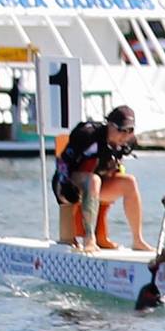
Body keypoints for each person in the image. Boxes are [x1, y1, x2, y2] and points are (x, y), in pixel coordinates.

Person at [54, 104, 144, 250]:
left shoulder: (129, 142)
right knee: (94, 180)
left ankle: (138, 240)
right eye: (121, 130)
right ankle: (89, 239)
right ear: (109, 125)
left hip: (98, 182)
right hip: (68, 182)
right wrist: (65, 186)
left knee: (130, 182)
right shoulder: (87, 135)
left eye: (130, 130)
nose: (125, 135)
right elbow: (63, 161)